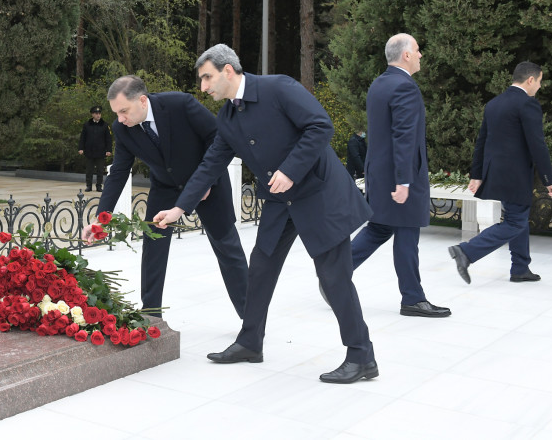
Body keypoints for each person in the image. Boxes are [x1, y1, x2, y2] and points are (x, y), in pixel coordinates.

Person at [153, 45, 377, 384]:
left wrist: (290, 170)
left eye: (207, 78)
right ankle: (249, 342)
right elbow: (210, 165)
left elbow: (320, 126)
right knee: (259, 268)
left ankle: (362, 357)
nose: (203, 87)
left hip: (319, 196)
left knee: (334, 278)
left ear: (228, 71)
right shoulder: (227, 117)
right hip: (279, 202)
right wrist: (180, 207)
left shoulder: (278, 87)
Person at [81, 76, 248, 319]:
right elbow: (118, 173)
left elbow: (218, 137)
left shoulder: (180, 104)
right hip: (165, 188)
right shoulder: (122, 129)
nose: (120, 119)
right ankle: (151, 317)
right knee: (153, 250)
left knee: (227, 247)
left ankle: (250, 320)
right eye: (116, 113)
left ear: (142, 100)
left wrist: (205, 181)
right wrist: (101, 219)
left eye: (124, 111)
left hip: (207, 182)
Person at [349, 34, 451, 318]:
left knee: (380, 228)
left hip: (379, 174)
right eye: (418, 50)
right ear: (406, 55)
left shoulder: (379, 84)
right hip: (399, 177)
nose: (421, 55)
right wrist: (404, 181)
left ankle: (335, 271)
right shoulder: (405, 87)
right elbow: (403, 137)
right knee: (406, 232)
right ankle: (413, 299)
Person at [448, 62, 552, 284]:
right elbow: (538, 145)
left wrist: (477, 174)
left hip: (496, 172)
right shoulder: (528, 104)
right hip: (515, 175)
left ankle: (520, 268)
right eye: (538, 81)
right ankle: (466, 252)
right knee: (515, 222)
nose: (539, 86)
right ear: (530, 80)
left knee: (516, 217)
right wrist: (549, 179)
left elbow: (481, 142)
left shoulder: (494, 104)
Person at [77, 106, 112, 192]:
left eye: (99, 113)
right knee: (89, 170)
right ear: (92, 114)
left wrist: (109, 150)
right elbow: (83, 137)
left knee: (100, 170)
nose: (98, 115)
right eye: (96, 113)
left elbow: (108, 138)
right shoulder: (87, 125)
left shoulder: (105, 125)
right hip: (89, 151)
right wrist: (81, 148)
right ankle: (89, 186)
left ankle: (99, 186)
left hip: (101, 151)